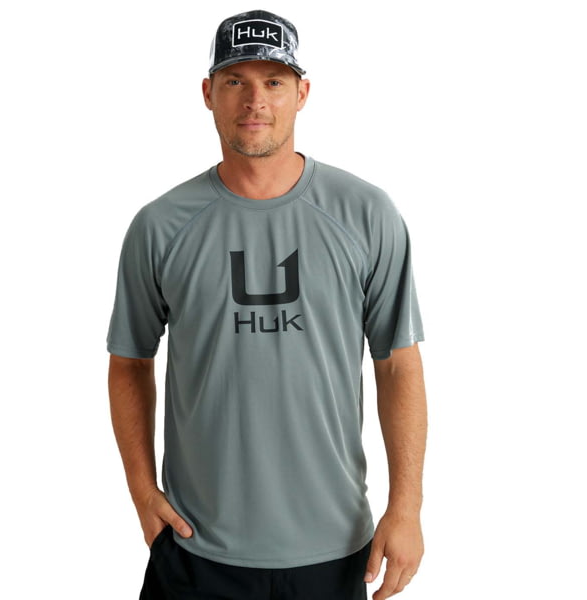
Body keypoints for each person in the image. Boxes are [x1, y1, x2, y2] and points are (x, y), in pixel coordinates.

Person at [107, 9, 427, 600]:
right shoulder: (160, 226)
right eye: (235, 81)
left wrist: (406, 508)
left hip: (334, 549)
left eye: (274, 81)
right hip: (196, 549)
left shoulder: (366, 214)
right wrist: (141, 492)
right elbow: (128, 361)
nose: (255, 100)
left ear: (302, 94)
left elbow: (398, 364)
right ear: (208, 93)